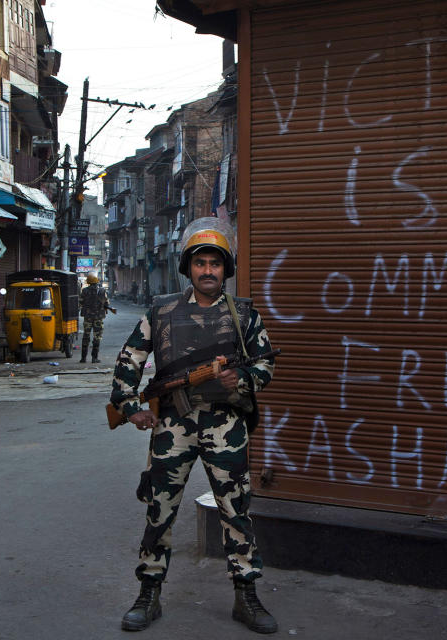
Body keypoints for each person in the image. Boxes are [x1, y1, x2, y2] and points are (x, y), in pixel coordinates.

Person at [110, 218, 278, 634]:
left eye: (215, 264)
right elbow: (128, 363)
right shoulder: (162, 312)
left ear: (226, 270)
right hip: (172, 426)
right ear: (189, 268)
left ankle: (246, 594)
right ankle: (149, 593)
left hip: (226, 424)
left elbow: (266, 363)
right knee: (159, 511)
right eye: (200, 263)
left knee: (236, 511)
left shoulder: (243, 315)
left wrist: (238, 380)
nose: (208, 270)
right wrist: (132, 408)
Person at [79, 273, 114, 363]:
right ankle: (94, 358)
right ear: (97, 282)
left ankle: (83, 358)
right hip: (98, 318)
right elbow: (107, 303)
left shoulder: (84, 291)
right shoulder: (102, 291)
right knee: (97, 337)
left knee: (86, 336)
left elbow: (81, 302)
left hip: (88, 317)